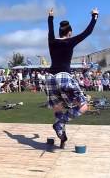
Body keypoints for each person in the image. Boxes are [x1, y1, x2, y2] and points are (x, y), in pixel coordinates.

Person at [45, 8, 98, 148]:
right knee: (83, 106)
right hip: (64, 77)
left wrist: (50, 17)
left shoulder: (52, 41)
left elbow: (50, 30)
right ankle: (61, 123)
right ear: (69, 33)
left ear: (59, 32)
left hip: (50, 78)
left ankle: (61, 134)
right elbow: (88, 32)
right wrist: (94, 16)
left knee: (58, 106)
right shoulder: (70, 41)